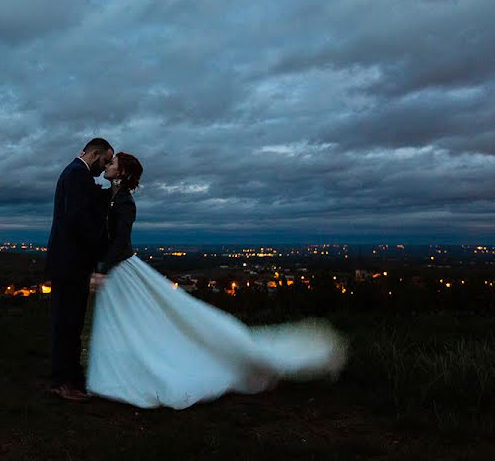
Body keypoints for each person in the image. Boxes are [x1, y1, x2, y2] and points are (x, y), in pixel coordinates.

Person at [86, 152, 347, 409]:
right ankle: (116, 375)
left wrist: (102, 269)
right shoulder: (113, 197)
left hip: (120, 269)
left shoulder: (125, 203)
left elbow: (120, 241)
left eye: (112, 163)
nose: (107, 166)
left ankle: (126, 376)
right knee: (124, 323)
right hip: (116, 270)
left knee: (136, 322)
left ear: (121, 172)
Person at [45, 137, 113, 402]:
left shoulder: (74, 173)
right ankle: (64, 382)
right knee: (69, 324)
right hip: (71, 262)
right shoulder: (78, 176)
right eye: (106, 161)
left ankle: (62, 378)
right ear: (95, 155)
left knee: (66, 323)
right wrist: (99, 252)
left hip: (66, 261)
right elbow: (78, 219)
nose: (105, 167)